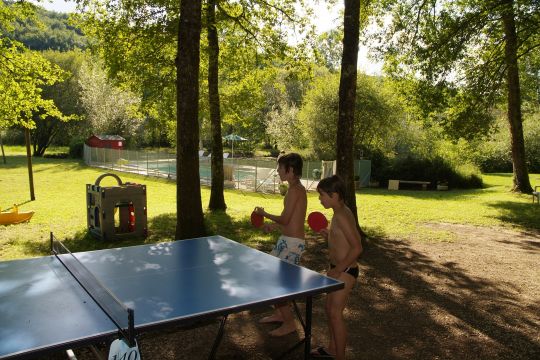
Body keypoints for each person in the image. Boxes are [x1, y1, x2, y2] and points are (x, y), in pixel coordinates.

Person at [253, 152, 307, 336]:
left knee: (278, 283)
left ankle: (290, 323)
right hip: (287, 241)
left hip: (292, 244)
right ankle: (279, 314)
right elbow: (291, 220)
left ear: (290, 170)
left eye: (279, 168)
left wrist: (264, 214)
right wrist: (274, 226)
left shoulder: (294, 191)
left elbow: (285, 218)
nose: (277, 171)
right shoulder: (297, 189)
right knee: (272, 277)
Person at [312, 175, 363, 360]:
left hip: (345, 271)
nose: (320, 198)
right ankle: (332, 349)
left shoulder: (342, 215)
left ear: (334, 195)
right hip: (338, 268)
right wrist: (329, 236)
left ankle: (339, 356)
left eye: (322, 195)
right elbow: (343, 241)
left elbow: (357, 247)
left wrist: (338, 269)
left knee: (335, 314)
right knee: (329, 309)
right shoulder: (339, 211)